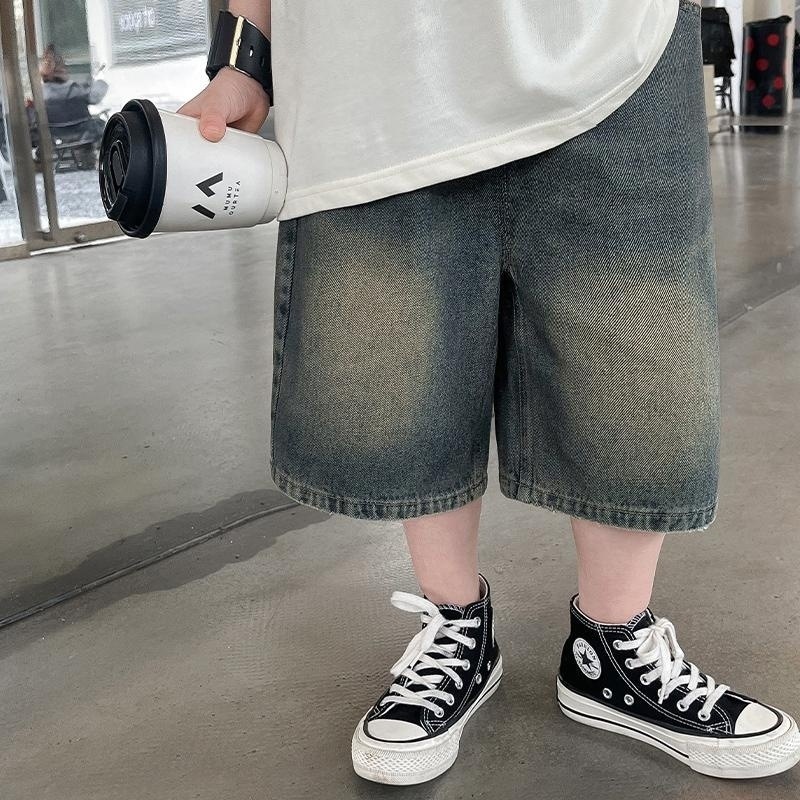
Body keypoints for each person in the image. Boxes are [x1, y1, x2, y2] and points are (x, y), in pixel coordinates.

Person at [179, 0, 800, 786]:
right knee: (400, 351)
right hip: (374, 59)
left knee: (637, 351)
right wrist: (244, 54)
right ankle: (455, 627)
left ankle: (613, 648)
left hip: (618, 42)